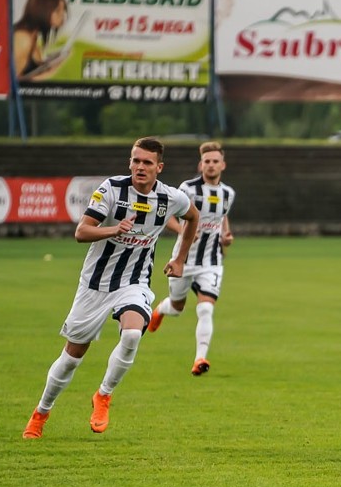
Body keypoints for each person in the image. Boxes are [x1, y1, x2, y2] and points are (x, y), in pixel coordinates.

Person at [22, 137, 200, 439]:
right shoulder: (111, 189)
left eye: (147, 162)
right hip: (94, 286)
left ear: (159, 167)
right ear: (130, 161)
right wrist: (113, 229)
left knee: (132, 334)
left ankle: (103, 395)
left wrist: (179, 259)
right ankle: (41, 412)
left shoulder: (171, 197)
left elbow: (193, 217)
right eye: (135, 160)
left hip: (134, 282)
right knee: (71, 359)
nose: (139, 167)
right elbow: (81, 232)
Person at [148, 141, 236, 376]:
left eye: (215, 161)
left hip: (211, 262)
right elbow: (168, 218)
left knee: (206, 309)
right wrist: (184, 231)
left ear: (222, 165)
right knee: (177, 308)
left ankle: (200, 358)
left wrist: (226, 236)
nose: (211, 165)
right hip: (183, 260)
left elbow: (223, 217)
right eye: (207, 161)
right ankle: (160, 310)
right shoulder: (187, 189)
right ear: (201, 164)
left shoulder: (228, 193)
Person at [13, 0, 68, 80]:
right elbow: (13, 83)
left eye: (63, 11)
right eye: (58, 10)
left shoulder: (33, 36)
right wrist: (52, 71)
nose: (62, 15)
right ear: (42, 10)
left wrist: (56, 60)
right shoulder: (22, 38)